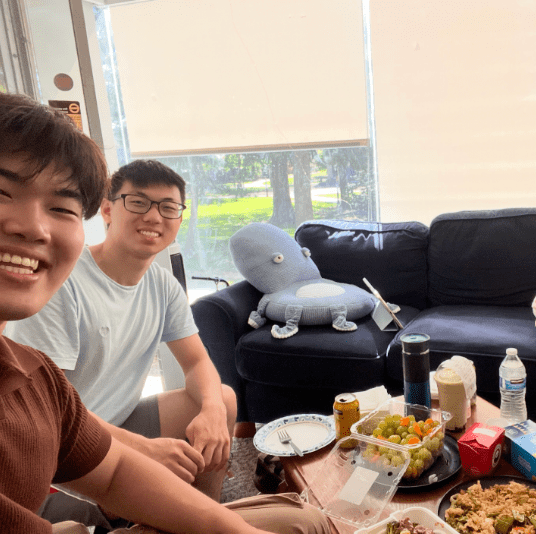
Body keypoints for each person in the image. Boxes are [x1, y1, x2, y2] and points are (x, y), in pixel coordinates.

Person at [0, 92, 330, 534]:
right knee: (299, 521)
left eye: (168, 208)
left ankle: (204, 506)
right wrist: (143, 450)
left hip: (96, 432)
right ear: (107, 210)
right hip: (62, 458)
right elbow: (54, 416)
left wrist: (211, 411)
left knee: (221, 399)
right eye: (138, 202)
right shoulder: (60, 286)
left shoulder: (159, 283)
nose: (33, 227)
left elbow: (196, 363)